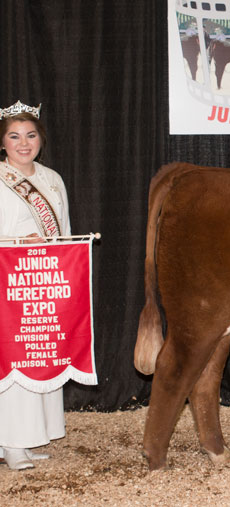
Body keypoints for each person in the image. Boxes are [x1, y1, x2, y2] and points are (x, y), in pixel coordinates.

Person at [0, 101, 70, 470]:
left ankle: (28, 439)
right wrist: (15, 241)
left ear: (40, 138)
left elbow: (64, 233)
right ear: (3, 142)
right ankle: (10, 441)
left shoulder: (52, 178)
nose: (23, 143)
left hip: (45, 282)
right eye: (14, 136)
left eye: (30, 135)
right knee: (14, 359)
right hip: (8, 284)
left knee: (40, 356)